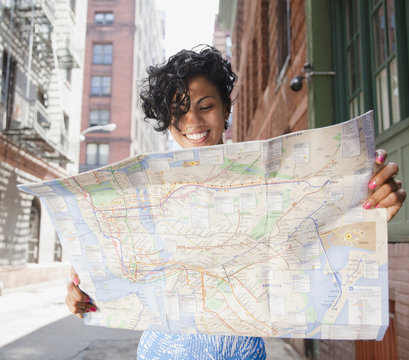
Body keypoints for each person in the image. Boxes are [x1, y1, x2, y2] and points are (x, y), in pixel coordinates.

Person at [65, 46, 407, 359]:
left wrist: (367, 213)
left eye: (206, 106)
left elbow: (312, 241)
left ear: (226, 107)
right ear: (168, 122)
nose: (193, 122)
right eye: (179, 112)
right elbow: (116, 279)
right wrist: (82, 296)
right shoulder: (145, 195)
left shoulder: (267, 184)